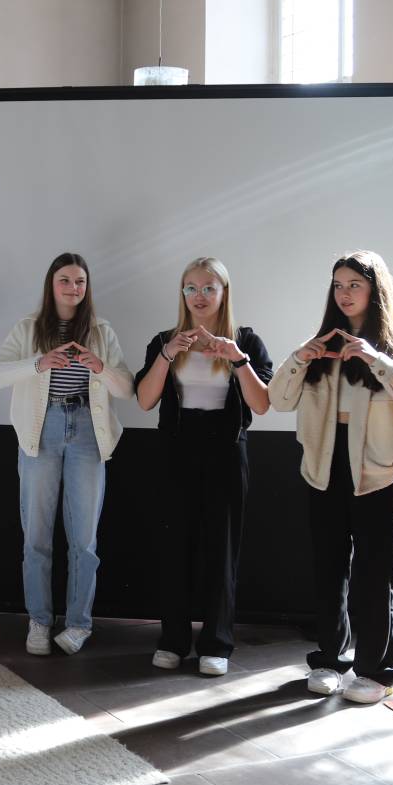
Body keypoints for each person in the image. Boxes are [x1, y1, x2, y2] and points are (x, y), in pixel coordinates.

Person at [267, 251, 393, 705]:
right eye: (338, 285)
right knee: (328, 565)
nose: (344, 294)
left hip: (377, 469)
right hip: (324, 465)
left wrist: (378, 359)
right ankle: (329, 658)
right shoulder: (320, 342)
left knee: (375, 570)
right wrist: (300, 358)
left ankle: (376, 671)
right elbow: (278, 400)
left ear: (374, 290)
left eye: (353, 285)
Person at [0, 253, 132, 656]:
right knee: (37, 535)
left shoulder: (101, 330)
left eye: (80, 281)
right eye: (65, 280)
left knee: (84, 539)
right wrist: (38, 362)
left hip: (87, 428)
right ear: (51, 284)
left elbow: (126, 389)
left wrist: (99, 367)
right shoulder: (29, 328)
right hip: (40, 429)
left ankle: (79, 623)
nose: (73, 288)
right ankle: (39, 621)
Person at [133, 258, 273, 676]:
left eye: (209, 288)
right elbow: (144, 400)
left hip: (226, 449)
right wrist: (166, 355)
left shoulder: (246, 339)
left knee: (221, 549)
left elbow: (262, 404)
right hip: (177, 449)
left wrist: (237, 359)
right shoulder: (165, 339)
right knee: (174, 547)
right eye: (190, 288)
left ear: (224, 292)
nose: (199, 296)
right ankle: (173, 640)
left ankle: (217, 644)